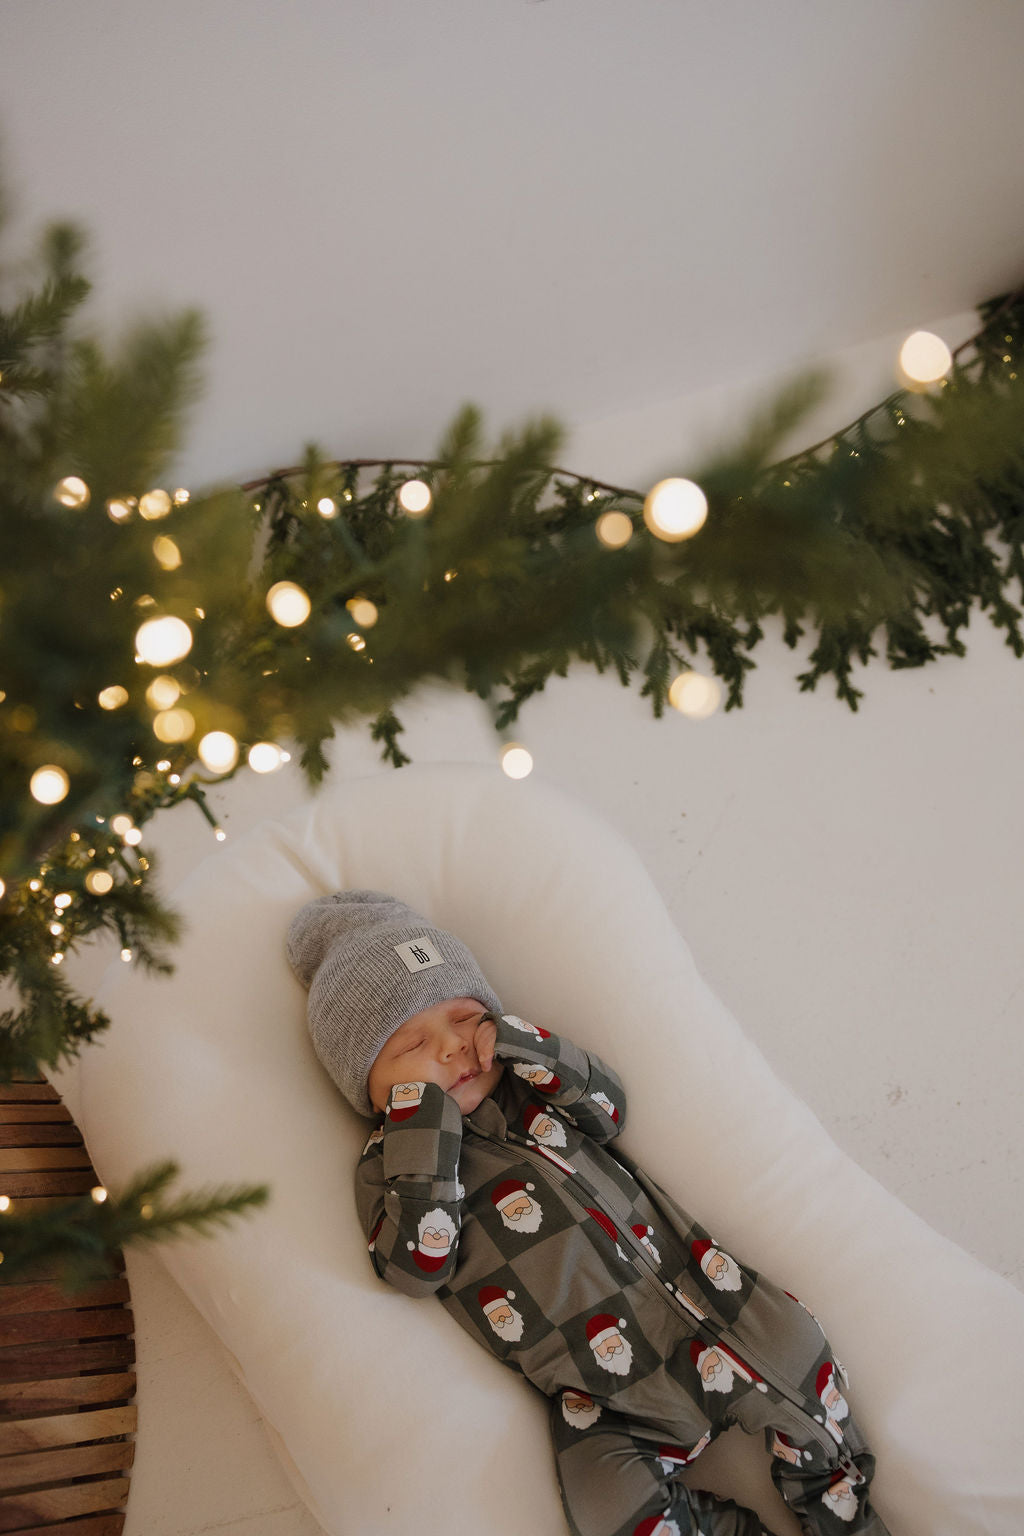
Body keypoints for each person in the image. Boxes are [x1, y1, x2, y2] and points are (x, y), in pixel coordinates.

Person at [287, 889, 892, 1536]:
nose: (452, 1048)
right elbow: (417, 1263)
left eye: (467, 1018)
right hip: (603, 1397)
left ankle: (839, 1505)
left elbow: (609, 1106)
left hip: (711, 1307)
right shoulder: (386, 1166)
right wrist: (422, 1128)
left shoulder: (529, 1088)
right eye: (412, 1043)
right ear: (366, 1082)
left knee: (798, 1348)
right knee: (608, 1512)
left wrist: (519, 1042)